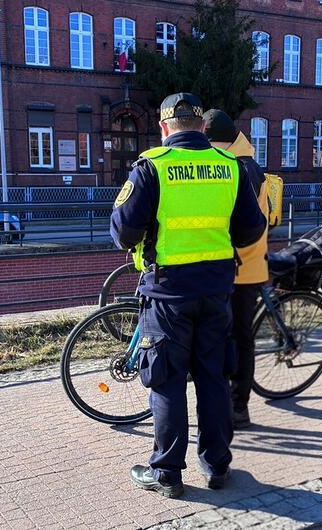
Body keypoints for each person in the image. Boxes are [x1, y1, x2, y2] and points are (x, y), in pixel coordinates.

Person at [110, 93, 266, 499]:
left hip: (167, 295)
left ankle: (166, 473)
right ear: (201, 127)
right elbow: (252, 229)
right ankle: (217, 465)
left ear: (164, 129)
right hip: (216, 291)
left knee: (167, 381)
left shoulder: (152, 168)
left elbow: (122, 231)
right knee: (213, 378)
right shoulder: (230, 167)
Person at [202, 109, 270, 430]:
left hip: (245, 267)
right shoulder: (233, 163)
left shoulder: (243, 168)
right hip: (229, 265)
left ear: (221, 142)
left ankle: (239, 405)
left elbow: (248, 224)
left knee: (241, 336)